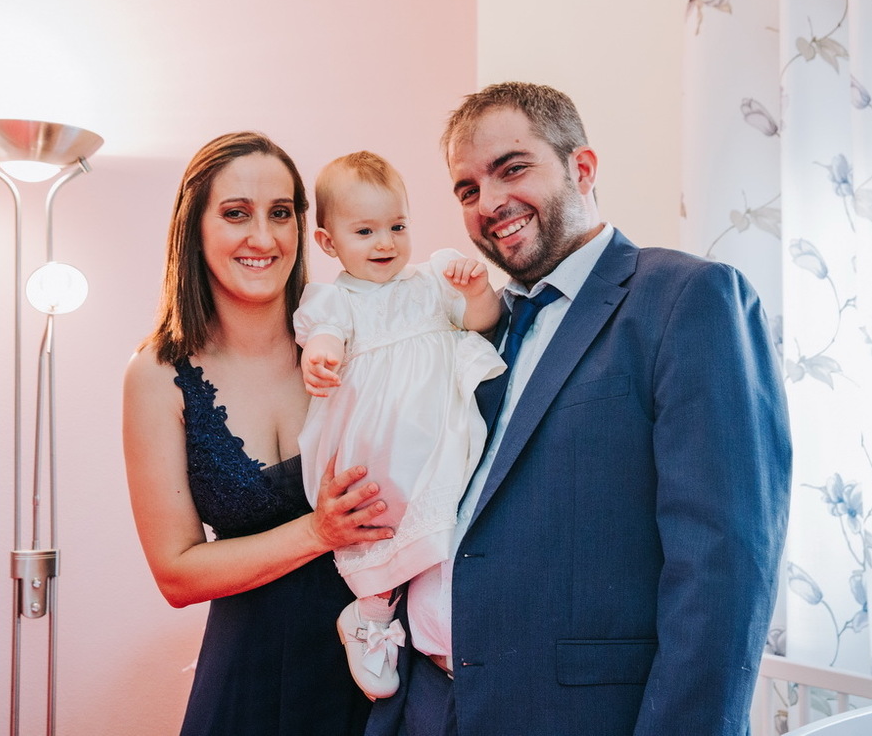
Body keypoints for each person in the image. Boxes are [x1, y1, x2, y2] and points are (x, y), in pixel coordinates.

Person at [365, 82, 792, 736]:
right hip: (427, 706)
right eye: (467, 189)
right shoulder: (476, 322)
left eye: (512, 169)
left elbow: (724, 566)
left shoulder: (686, 298)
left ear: (582, 168)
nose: (489, 203)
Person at [123, 132, 394, 736]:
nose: (264, 238)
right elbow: (176, 574)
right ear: (194, 227)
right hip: (249, 682)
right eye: (236, 214)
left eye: (281, 213)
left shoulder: (360, 340)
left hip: (381, 673)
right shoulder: (157, 376)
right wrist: (318, 531)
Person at [294, 151, 505, 699]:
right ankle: (369, 612)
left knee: (447, 530)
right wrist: (320, 354)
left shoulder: (432, 281)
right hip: (379, 443)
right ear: (328, 243)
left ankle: (444, 631)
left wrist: (476, 292)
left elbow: (482, 324)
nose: (385, 242)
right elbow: (323, 334)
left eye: (397, 226)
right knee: (380, 522)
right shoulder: (335, 299)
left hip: (440, 438)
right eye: (365, 231)